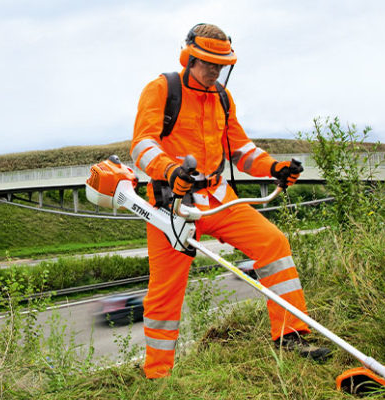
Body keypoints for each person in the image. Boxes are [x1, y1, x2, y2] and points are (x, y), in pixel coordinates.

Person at [131, 23, 331, 379]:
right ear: (189, 57)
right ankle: (157, 375)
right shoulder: (161, 89)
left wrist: (274, 167)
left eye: (220, 64)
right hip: (172, 202)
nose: (215, 70)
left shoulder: (222, 97)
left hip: (219, 196)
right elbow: (142, 146)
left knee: (273, 242)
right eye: (208, 62)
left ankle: (291, 335)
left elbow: (240, 149)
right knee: (164, 293)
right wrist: (170, 169)